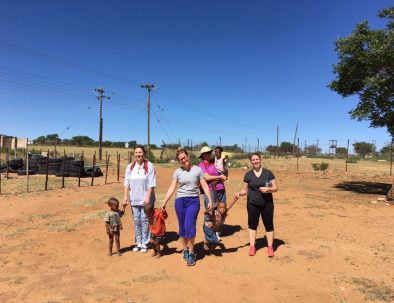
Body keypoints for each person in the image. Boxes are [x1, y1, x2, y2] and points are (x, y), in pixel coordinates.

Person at [161, 148, 213, 266]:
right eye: (180, 160)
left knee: (190, 226)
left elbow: (204, 186)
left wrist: (209, 200)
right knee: (182, 228)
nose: (183, 160)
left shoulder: (198, 170)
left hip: (193, 201)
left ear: (188, 156)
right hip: (180, 201)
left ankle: (191, 253)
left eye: (184, 158)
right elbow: (172, 187)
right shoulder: (177, 172)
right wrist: (164, 202)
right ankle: (185, 249)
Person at [234, 152, 278, 257]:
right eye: (253, 160)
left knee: (269, 225)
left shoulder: (268, 173)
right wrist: (239, 193)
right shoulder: (248, 175)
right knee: (252, 225)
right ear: (251, 162)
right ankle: (252, 247)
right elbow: (245, 190)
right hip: (252, 203)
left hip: (267, 204)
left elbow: (276, 188)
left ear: (260, 160)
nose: (255, 161)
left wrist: (268, 189)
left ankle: (270, 247)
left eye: (257, 159)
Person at [123, 145, 156, 253]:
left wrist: (147, 198)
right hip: (134, 199)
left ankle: (145, 242)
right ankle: (138, 242)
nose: (138, 154)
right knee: (136, 220)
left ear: (144, 153)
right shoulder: (130, 167)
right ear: (134, 154)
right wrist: (125, 197)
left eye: (140, 152)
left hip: (146, 200)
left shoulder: (149, 165)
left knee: (145, 220)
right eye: (136, 152)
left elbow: (151, 183)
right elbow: (126, 183)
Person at [198, 146, 227, 243]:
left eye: (210, 152)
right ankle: (209, 234)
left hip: (221, 188)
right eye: (206, 153)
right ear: (202, 155)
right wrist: (220, 177)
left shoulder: (214, 163)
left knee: (222, 211)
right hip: (210, 190)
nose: (209, 154)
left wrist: (225, 165)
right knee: (211, 212)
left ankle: (217, 230)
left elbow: (223, 172)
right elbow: (206, 177)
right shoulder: (201, 165)